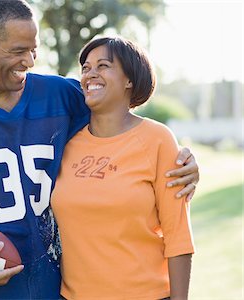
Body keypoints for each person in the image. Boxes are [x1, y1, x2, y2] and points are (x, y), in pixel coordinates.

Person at [0, 1, 199, 299]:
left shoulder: (60, 95)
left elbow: (121, 120)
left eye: (33, 50)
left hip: (53, 286)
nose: (29, 62)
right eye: (18, 51)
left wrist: (180, 159)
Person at [51, 36, 195, 300]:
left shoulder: (157, 139)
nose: (90, 74)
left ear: (129, 79)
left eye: (103, 65)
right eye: (85, 68)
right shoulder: (66, 143)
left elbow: (178, 237)